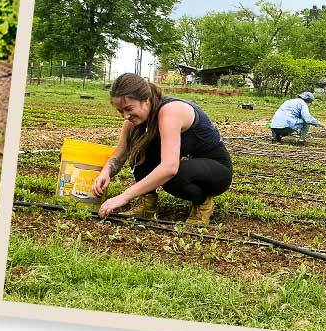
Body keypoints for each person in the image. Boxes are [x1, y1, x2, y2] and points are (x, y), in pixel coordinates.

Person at [91, 72, 233, 225]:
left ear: (146, 100)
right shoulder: (134, 119)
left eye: (128, 108)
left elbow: (169, 168)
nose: (125, 116)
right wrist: (106, 172)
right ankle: (148, 205)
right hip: (190, 163)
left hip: (216, 170)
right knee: (139, 149)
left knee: (174, 176)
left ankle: (203, 203)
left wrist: (123, 197)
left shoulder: (170, 112)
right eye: (120, 111)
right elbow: (121, 152)